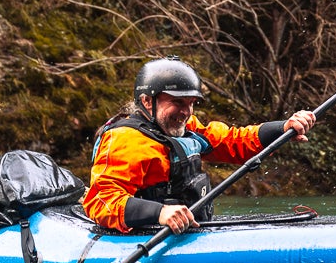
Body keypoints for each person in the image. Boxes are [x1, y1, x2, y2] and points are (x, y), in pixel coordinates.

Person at [84, 59, 315, 235]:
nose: (186, 112)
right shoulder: (125, 140)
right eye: (177, 102)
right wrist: (159, 212)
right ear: (147, 101)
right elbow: (101, 201)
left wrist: (282, 128)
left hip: (188, 229)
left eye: (191, 103)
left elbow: (231, 141)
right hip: (143, 236)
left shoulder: (185, 128)